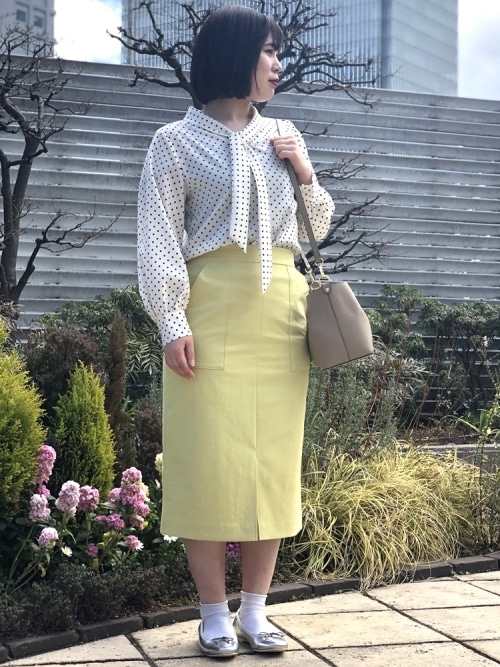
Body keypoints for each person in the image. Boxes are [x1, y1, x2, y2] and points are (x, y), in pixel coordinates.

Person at [137, 4, 334, 658]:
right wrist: (172, 320)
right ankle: (212, 613)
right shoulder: (173, 142)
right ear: (235, 55)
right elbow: (158, 238)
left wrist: (304, 173)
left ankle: (255, 610)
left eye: (278, 53)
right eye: (269, 51)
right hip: (208, 310)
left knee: (269, 463)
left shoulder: (284, 133)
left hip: (281, 310)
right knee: (206, 461)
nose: (278, 64)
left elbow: (316, 228)